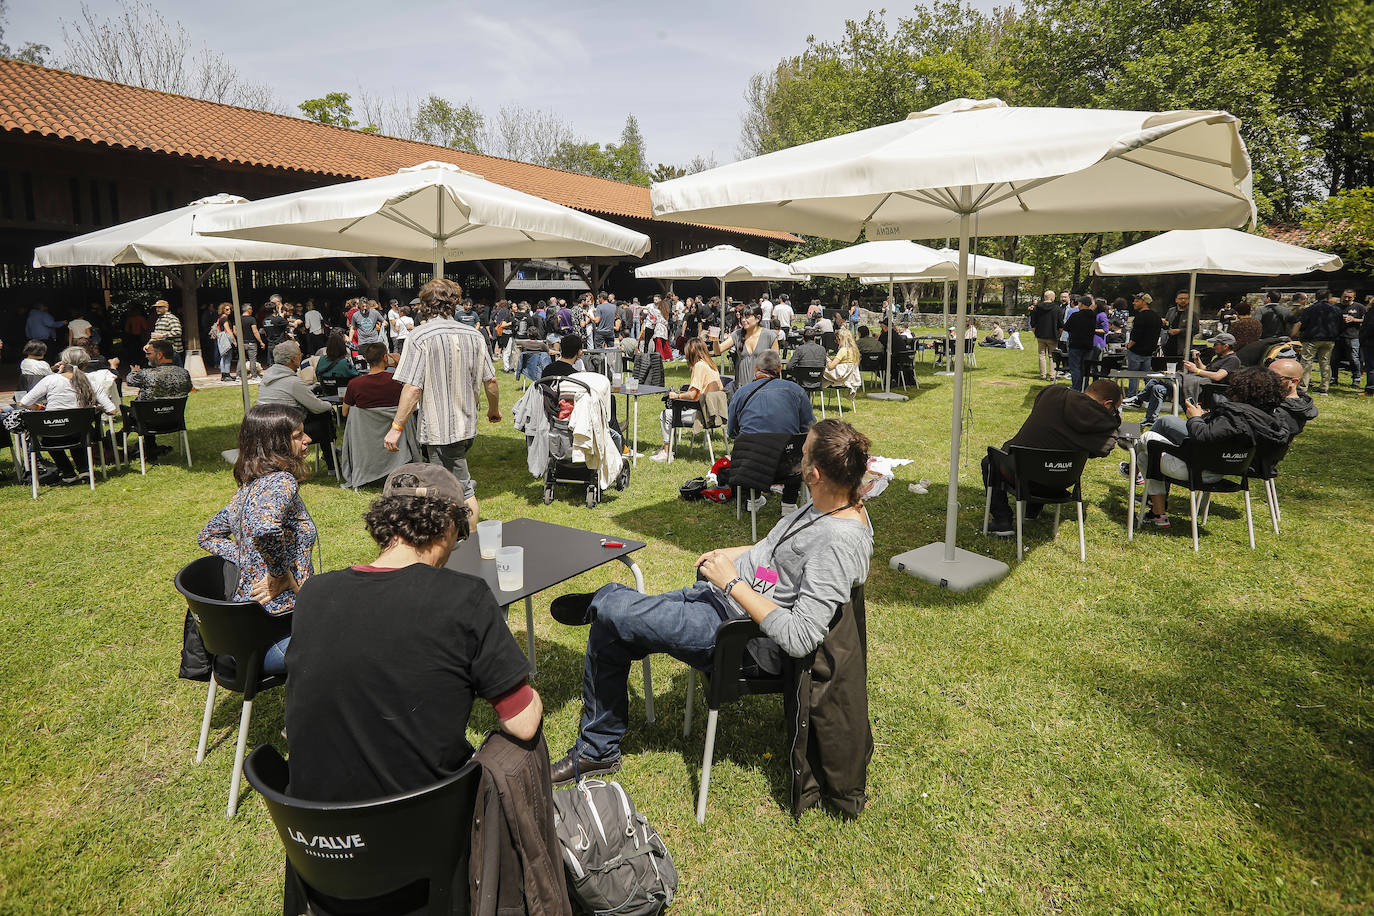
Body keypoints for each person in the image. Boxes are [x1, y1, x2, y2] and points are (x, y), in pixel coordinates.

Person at [549, 419, 873, 785]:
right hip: (719, 598)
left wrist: (732, 582)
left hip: (737, 635)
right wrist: (731, 555)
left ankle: (603, 602)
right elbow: (775, 555)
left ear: (814, 473)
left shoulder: (839, 543)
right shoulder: (830, 501)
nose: (795, 460)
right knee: (611, 629)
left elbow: (800, 636)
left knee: (613, 611)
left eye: (801, 456)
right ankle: (597, 752)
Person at [284, 463, 540, 804]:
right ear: (448, 525)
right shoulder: (465, 598)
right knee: (528, 744)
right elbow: (522, 722)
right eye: (462, 533)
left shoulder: (313, 593)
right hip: (423, 827)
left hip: (316, 834)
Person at [197, 403, 316, 675]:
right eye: (298, 436)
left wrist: (248, 557)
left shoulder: (247, 490)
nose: (307, 440)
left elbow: (208, 535)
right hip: (277, 627)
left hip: (243, 635)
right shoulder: (281, 481)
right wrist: (278, 573)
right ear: (275, 443)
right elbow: (264, 528)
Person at [385, 278, 500, 524]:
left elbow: (413, 387)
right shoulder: (474, 335)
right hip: (466, 424)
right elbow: (491, 381)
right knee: (449, 482)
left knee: (458, 487)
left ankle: (467, 541)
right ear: (455, 303)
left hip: (441, 428)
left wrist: (396, 428)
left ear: (425, 305)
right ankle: (453, 537)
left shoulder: (419, 336)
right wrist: (493, 410)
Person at [1134, 367, 1289, 528]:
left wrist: (1194, 418)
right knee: (1160, 433)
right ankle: (1156, 513)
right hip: (1230, 470)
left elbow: (1202, 437)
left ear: (1241, 390)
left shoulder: (1234, 417)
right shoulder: (1273, 421)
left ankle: (1157, 510)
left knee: (1147, 443)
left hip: (1196, 471)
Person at [984, 379, 1123, 536]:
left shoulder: (1052, 393)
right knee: (1047, 458)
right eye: (1115, 410)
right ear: (1107, 404)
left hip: (1021, 476)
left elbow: (1038, 407)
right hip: (1060, 482)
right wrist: (1113, 419)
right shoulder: (1105, 430)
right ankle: (1031, 511)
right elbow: (1104, 450)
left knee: (990, 461)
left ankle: (1002, 521)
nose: (1114, 414)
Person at [726, 349, 815, 512]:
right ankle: (788, 502)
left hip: (751, 467)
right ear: (779, 368)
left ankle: (752, 499)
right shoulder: (796, 390)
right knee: (798, 446)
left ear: (755, 369)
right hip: (789, 468)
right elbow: (809, 429)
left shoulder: (740, 393)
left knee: (750, 444)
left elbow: (732, 431)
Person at [16, 346, 119, 483]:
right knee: (76, 427)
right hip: (80, 434)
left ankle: (68, 473)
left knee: (56, 432)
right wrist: (96, 408)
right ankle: (84, 471)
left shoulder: (50, 380)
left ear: (63, 363)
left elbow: (23, 402)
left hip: (51, 434)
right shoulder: (91, 381)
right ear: (86, 364)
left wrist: (40, 407)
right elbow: (112, 410)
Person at [257, 341, 337, 472]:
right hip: (286, 430)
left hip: (266, 428)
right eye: (300, 354)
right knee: (324, 417)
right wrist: (329, 405)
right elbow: (317, 407)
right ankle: (332, 464)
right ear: (294, 358)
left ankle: (332, 463)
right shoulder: (293, 382)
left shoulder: (267, 378)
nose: (301, 357)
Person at [648, 338, 722, 462]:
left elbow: (692, 395)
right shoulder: (712, 366)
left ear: (691, 353)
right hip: (713, 412)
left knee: (665, 414)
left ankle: (666, 451)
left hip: (701, 415)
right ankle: (665, 447)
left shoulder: (699, 366)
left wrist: (677, 396)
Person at [124, 339, 193, 460]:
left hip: (150, 422)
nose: (146, 356)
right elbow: (188, 388)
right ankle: (149, 447)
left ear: (159, 355)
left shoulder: (148, 374)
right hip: (174, 420)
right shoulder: (184, 373)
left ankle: (120, 439)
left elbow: (130, 380)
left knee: (140, 405)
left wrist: (134, 372)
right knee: (146, 402)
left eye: (149, 353)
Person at [714, 304, 779, 389]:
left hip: (763, 387)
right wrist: (715, 339)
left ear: (758, 318)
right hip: (742, 388)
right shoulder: (737, 334)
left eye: (747, 317)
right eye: (742, 317)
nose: (743, 320)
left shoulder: (769, 336)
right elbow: (718, 351)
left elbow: (776, 365)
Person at [1292, 290, 1343, 394]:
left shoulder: (1310, 309)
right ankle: (1324, 387)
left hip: (1311, 338)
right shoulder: (1336, 309)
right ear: (1328, 298)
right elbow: (1341, 325)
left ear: (1316, 297)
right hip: (1329, 339)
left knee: (1306, 363)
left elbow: (1302, 324)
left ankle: (1302, 388)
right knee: (1325, 363)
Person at [342, 342, 404, 417]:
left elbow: (345, 412)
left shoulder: (354, 384)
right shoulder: (398, 381)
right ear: (385, 358)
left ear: (366, 359)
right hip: (393, 426)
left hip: (365, 427)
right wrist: (400, 366)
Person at [1121, 292, 1162, 398]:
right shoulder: (1156, 317)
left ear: (1144, 302)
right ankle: (1149, 397)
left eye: (1137, 301)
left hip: (1136, 350)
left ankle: (1131, 396)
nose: (1134, 303)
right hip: (1149, 351)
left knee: (1133, 376)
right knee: (1147, 376)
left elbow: (1136, 334)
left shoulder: (1140, 317)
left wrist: (1130, 344)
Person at [1267, 357, 1318, 440]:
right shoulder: (1281, 402)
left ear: (1294, 381)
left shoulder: (1285, 413)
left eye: (1275, 377)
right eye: (1266, 374)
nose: (1267, 380)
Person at [1063, 301, 1099, 390]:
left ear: (1082, 304)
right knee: (1085, 368)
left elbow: (1066, 327)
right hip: (1088, 344)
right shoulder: (1093, 316)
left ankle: (1076, 387)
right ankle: (1084, 386)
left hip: (1075, 344)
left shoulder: (1075, 315)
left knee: (1075, 368)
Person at [1029, 290, 1062, 381]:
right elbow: (1060, 324)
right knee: (1052, 356)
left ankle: (1043, 375)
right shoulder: (1057, 308)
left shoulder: (1037, 308)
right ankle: (1052, 375)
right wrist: (1060, 334)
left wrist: (1035, 332)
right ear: (1052, 297)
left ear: (1044, 297)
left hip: (1040, 335)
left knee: (1041, 355)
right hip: (1053, 335)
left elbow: (1033, 322)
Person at [1335, 289, 1364, 388]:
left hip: (1353, 336)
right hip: (1337, 336)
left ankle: (1356, 379)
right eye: (1344, 296)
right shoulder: (1336, 307)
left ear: (1354, 297)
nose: (1346, 299)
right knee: (1334, 359)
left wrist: (1354, 319)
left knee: (1354, 358)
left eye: (1349, 297)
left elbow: (1366, 320)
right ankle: (1333, 378)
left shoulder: (1359, 307)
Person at [824, 327, 862, 393]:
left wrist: (827, 359)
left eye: (837, 340)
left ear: (840, 339)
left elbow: (831, 366)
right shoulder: (854, 350)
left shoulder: (843, 350)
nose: (836, 342)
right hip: (849, 379)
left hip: (839, 378)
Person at [1160, 290, 1196, 359]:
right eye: (1180, 298)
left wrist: (1180, 331)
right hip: (1168, 346)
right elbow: (1166, 326)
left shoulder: (1192, 314)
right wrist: (1164, 324)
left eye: (1185, 298)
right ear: (1176, 300)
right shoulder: (1171, 311)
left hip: (1182, 348)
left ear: (1189, 300)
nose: (1183, 300)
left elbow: (1195, 330)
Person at [149, 300, 184, 366]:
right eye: (156, 307)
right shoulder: (159, 319)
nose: (157, 309)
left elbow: (178, 332)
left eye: (160, 307)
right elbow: (156, 335)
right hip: (163, 351)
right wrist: (149, 344)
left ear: (166, 308)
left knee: (176, 373)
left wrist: (162, 335)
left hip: (172, 350)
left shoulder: (171, 318)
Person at [237, 302, 264, 379]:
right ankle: (254, 375)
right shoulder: (252, 319)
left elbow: (235, 331)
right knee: (252, 359)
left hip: (242, 342)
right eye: (251, 309)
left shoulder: (238, 318)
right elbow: (255, 331)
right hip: (251, 342)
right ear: (248, 309)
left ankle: (238, 375)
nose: (252, 311)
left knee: (241, 359)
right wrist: (261, 341)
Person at [213, 303, 237, 381]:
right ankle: (226, 374)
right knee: (227, 357)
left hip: (220, 338)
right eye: (227, 309)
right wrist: (234, 340)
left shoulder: (220, 318)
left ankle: (224, 375)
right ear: (223, 310)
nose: (229, 310)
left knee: (223, 357)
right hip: (226, 339)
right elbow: (228, 330)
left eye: (230, 309)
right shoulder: (225, 319)